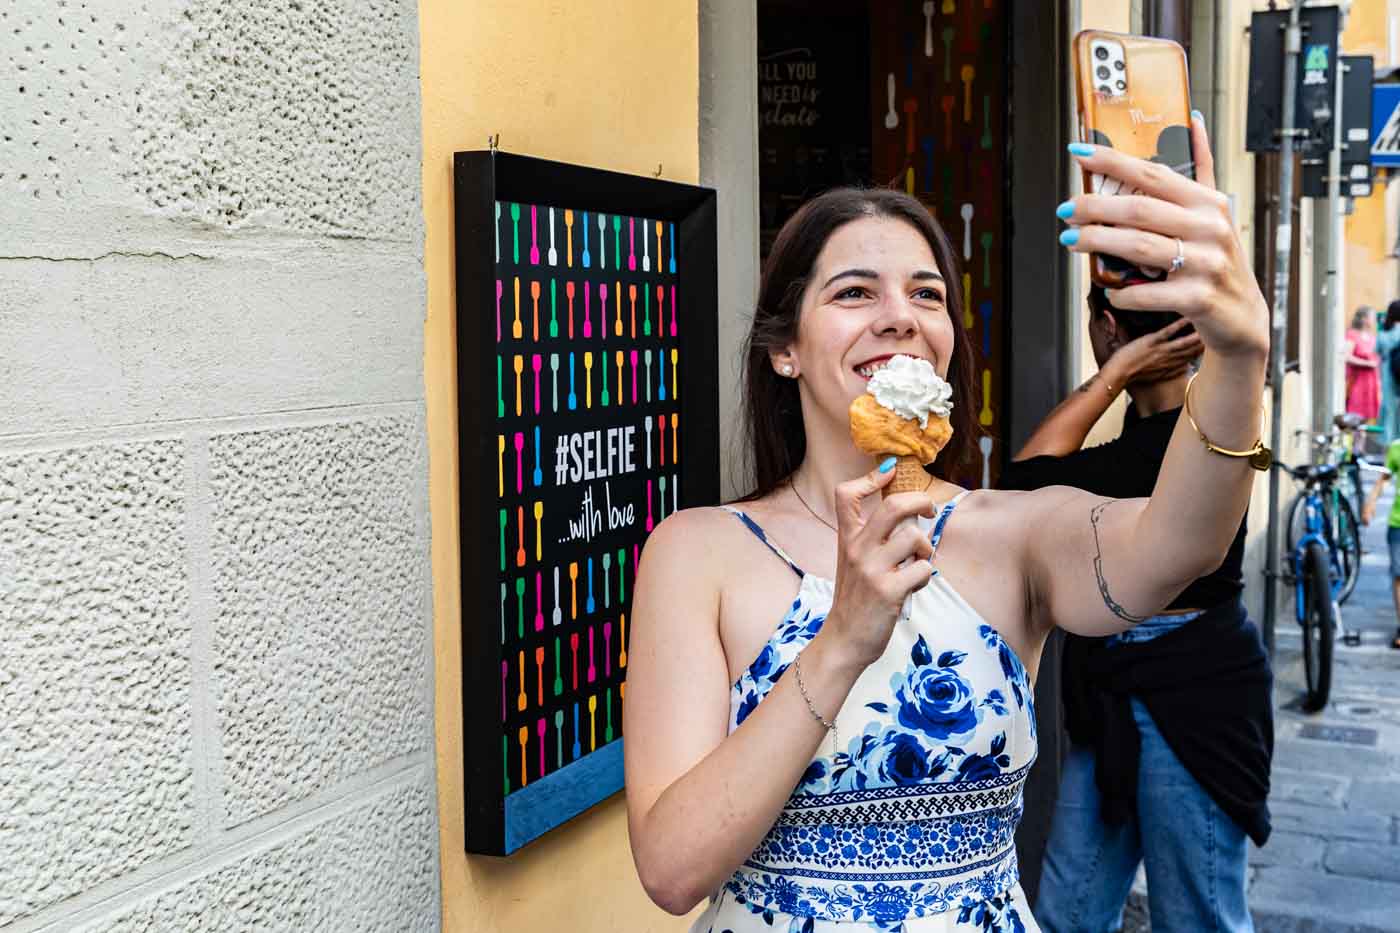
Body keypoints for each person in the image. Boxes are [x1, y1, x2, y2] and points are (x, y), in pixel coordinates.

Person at [625, 120, 1269, 933]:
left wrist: (1240, 354)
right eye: (854, 291)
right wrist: (842, 640)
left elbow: (1184, 541)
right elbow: (671, 869)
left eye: (927, 294)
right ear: (784, 348)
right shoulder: (697, 553)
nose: (900, 316)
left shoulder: (1012, 534)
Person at [998, 287, 1273, 933]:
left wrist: (1113, 370)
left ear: (1108, 328)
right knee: (1068, 912)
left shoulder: (1197, 440)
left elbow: (1020, 485)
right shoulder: (1165, 436)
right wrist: (1124, 368)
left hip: (1191, 697)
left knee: (1197, 917)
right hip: (1112, 698)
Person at [1359, 437, 1400, 650]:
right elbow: (1384, 479)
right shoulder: (1396, 448)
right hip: (1398, 522)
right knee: (1398, 574)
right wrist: (1370, 503)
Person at [1344, 306, 1381, 424]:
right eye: (1373, 317)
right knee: (1354, 416)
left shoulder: (1372, 337)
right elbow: (1347, 356)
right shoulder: (1352, 335)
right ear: (1365, 319)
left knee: (1365, 419)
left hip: (1371, 382)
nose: (1375, 321)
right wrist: (1367, 363)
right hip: (1357, 381)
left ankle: (1359, 442)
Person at [1376, 301, 1400, 445]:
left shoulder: (1384, 333)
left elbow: (1377, 350)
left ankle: (1389, 446)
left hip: (1387, 375)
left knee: (1389, 411)